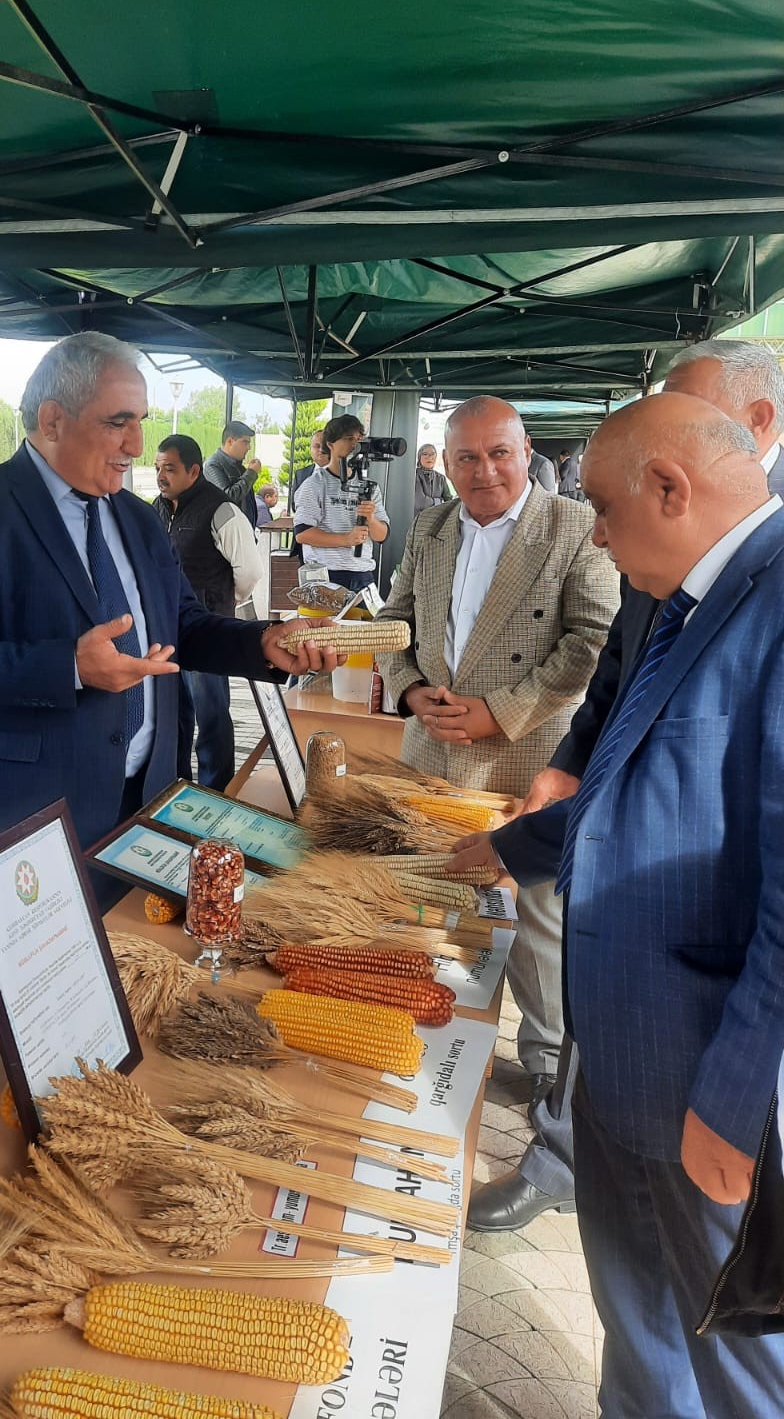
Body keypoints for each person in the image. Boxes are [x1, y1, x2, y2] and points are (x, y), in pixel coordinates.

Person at [450, 392, 784, 1416]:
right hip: (631, 1060)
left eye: (600, 502)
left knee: (734, 1360)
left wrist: (736, 1097)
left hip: (707, 1089)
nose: (592, 528)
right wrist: (510, 847)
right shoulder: (693, 594)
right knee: (638, 1318)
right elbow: (633, 785)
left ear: (671, 488)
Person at [0, 333, 343, 1048]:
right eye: (119, 422)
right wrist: (69, 667)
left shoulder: (137, 519)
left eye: (140, 421)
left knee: (104, 998)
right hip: (18, 818)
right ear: (53, 420)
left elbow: (185, 629)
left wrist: (263, 644)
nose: (139, 444)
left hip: (136, 807)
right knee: (1, 1035)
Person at [378, 396, 617, 1104]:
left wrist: (500, 713)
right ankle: (423, 1023)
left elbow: (592, 642)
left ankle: (547, 1064)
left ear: (525, 449)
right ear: (445, 463)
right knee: (430, 891)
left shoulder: (572, 526)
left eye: (498, 453)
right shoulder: (430, 526)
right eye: (466, 458)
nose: (484, 471)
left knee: (538, 919)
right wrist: (409, 686)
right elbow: (396, 620)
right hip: (431, 752)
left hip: (525, 758)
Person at [154, 434, 261, 791]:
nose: (160, 476)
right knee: (175, 716)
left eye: (169, 468)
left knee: (211, 715)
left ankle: (218, 792)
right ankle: (177, 788)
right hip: (167, 633)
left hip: (209, 630)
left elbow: (249, 571)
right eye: (157, 468)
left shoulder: (221, 509)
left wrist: (220, 603)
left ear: (194, 470)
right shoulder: (156, 509)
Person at [293, 415, 390, 593]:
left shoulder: (370, 487)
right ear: (330, 444)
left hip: (363, 575)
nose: (355, 445)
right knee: (327, 623)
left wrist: (371, 518)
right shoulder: (314, 484)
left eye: (359, 439)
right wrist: (345, 539)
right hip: (326, 576)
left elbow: (382, 535)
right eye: (349, 438)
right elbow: (302, 534)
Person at [203, 420, 259, 527]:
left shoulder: (239, 468)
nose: (249, 447)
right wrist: (251, 473)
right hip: (227, 537)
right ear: (230, 442)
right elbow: (228, 497)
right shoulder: (212, 465)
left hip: (243, 534)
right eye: (245, 442)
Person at [290, 430, 330, 504]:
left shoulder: (342, 474)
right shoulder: (300, 474)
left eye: (325, 446)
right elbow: (294, 504)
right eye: (317, 446)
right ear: (310, 449)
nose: (321, 450)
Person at [414, 442, 453, 512]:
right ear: (419, 457)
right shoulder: (414, 475)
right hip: (418, 519)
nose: (429, 457)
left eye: (432, 454)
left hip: (436, 519)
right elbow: (421, 502)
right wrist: (438, 501)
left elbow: (449, 502)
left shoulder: (441, 478)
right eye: (425, 454)